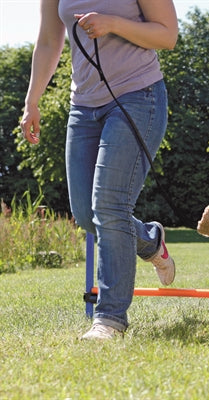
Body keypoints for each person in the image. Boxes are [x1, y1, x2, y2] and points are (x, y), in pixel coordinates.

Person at [20, 0, 179, 340]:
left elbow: (167, 35)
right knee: (85, 213)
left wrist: (113, 23)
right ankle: (150, 241)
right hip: (83, 108)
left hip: (139, 96)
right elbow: (49, 40)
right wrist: (32, 100)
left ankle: (109, 320)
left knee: (109, 205)